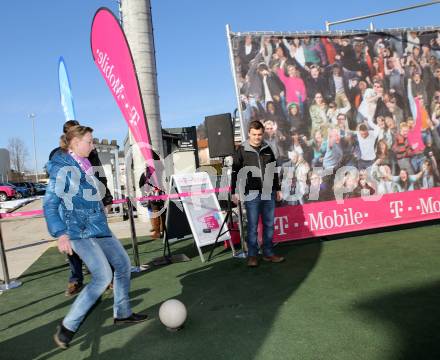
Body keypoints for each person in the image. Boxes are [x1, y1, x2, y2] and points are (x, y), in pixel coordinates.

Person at [44, 125, 147, 349]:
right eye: (89, 141)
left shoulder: (87, 163)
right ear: (75, 143)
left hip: (97, 225)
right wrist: (60, 233)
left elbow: (88, 192)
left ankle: (122, 313)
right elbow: (50, 204)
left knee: (122, 264)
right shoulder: (62, 168)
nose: (93, 145)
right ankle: (67, 327)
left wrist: (99, 202)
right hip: (77, 230)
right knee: (102, 277)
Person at [49, 120, 114, 297]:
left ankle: (108, 277)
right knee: (73, 248)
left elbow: (100, 176)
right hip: (70, 211)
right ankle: (76, 279)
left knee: (99, 241)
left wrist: (106, 197)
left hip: (91, 209)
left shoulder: (90, 152)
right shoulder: (56, 156)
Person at [231, 120, 285, 267]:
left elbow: (273, 170)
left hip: (269, 192)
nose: (257, 137)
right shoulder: (241, 150)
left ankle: (268, 253)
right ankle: (252, 256)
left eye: (259, 134)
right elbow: (235, 172)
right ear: (249, 133)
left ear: (263, 134)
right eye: (254, 134)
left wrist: (278, 188)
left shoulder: (268, 148)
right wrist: (234, 192)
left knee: (268, 224)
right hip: (251, 194)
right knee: (253, 225)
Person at [139, 150, 166, 239]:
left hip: (153, 193)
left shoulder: (150, 169)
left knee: (155, 212)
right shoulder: (160, 166)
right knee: (161, 211)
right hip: (160, 192)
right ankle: (162, 229)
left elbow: (145, 181)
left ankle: (157, 231)